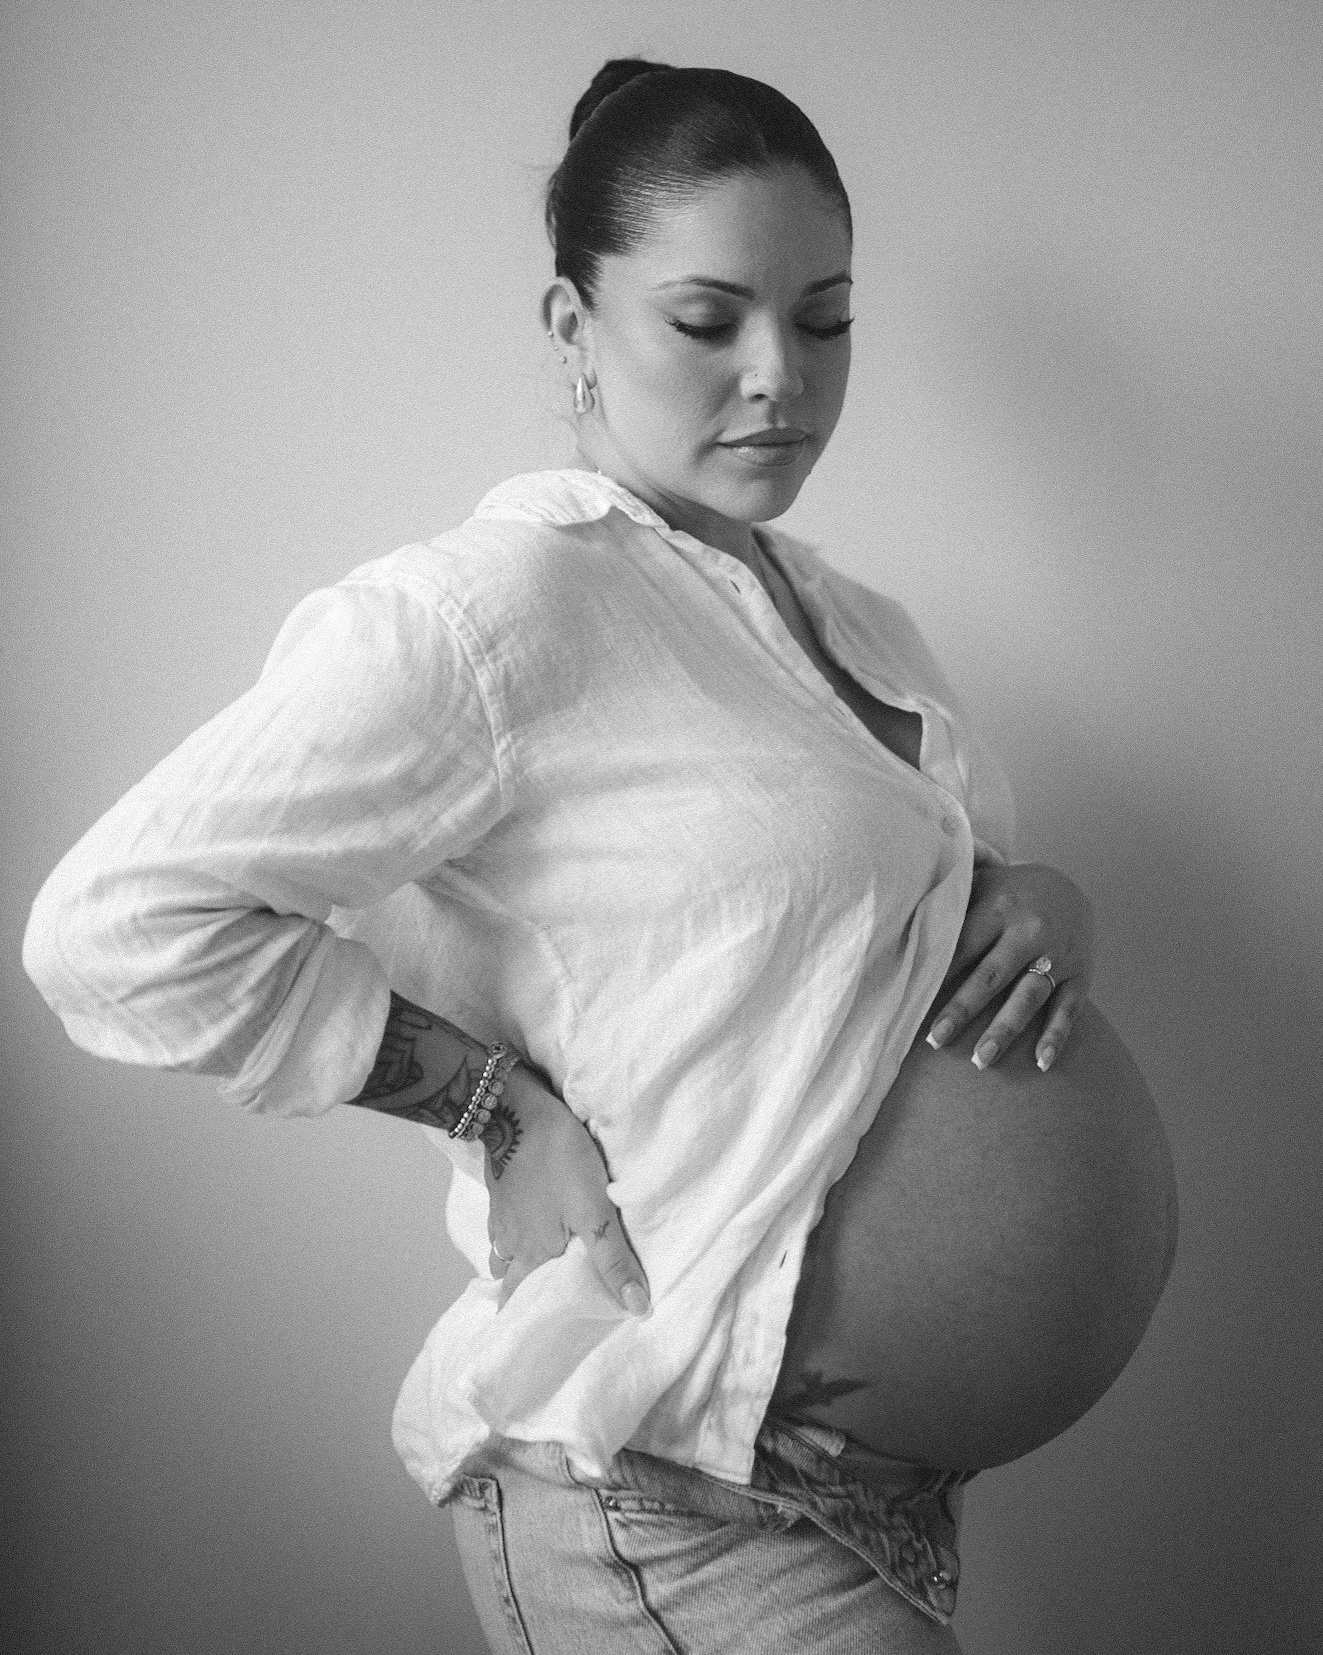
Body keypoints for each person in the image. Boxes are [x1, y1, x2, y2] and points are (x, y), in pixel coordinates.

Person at [23, 58, 1176, 1654]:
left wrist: (1036, 897)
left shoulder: (850, 624)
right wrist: (492, 1106)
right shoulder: (494, 611)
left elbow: (811, 943)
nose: (781, 373)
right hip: (669, 1509)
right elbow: (117, 922)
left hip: (860, 1504)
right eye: (707, 321)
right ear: (573, 327)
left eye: (824, 316)